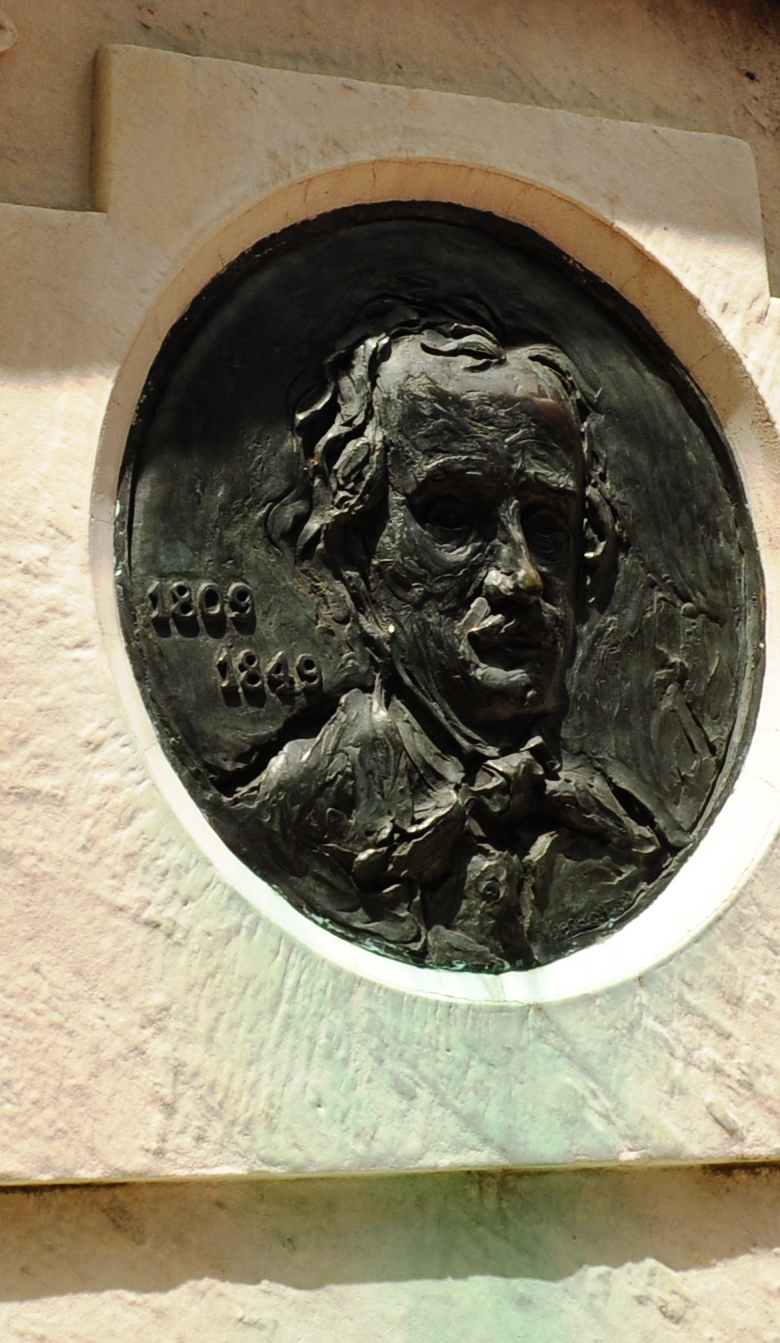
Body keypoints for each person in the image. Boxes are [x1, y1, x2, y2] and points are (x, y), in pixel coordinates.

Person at [224, 311, 668, 971]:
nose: (518, 577)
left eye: (548, 525)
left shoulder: (625, 840)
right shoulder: (288, 824)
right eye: (452, 519)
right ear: (356, 561)